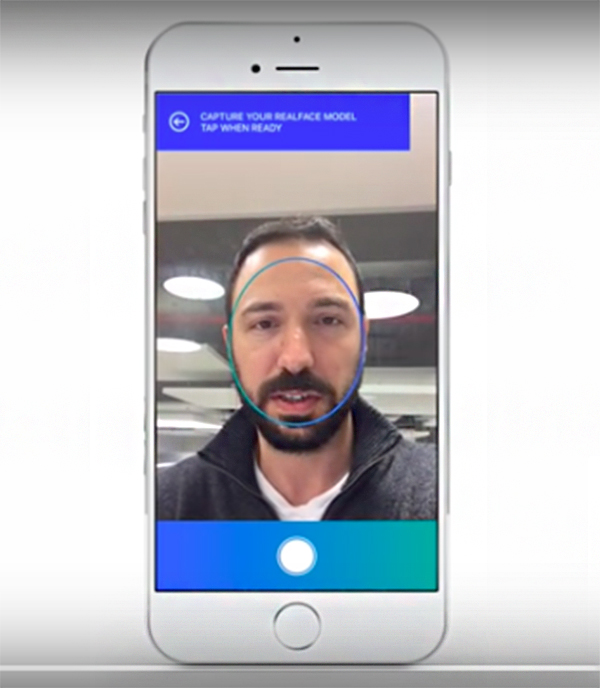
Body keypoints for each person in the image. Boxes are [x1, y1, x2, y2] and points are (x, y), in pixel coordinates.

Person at [157, 216, 436, 520]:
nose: (295, 358)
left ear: (363, 337)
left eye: (328, 320)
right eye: (264, 324)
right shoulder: (165, 511)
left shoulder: (445, 500)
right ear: (230, 345)